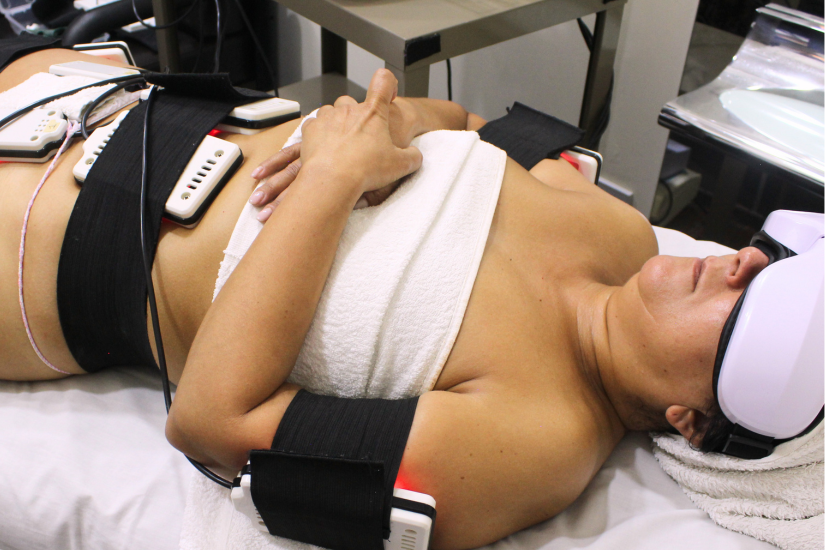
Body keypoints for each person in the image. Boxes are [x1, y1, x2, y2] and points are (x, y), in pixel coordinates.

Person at [0, 50, 769, 549]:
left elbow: (209, 423)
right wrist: (390, 125)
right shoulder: (621, 232)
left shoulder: (541, 438)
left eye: (752, 313)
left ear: (689, 419)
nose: (741, 259)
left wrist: (334, 177)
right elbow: (467, 123)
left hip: (45, 251)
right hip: (107, 97)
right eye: (765, 268)